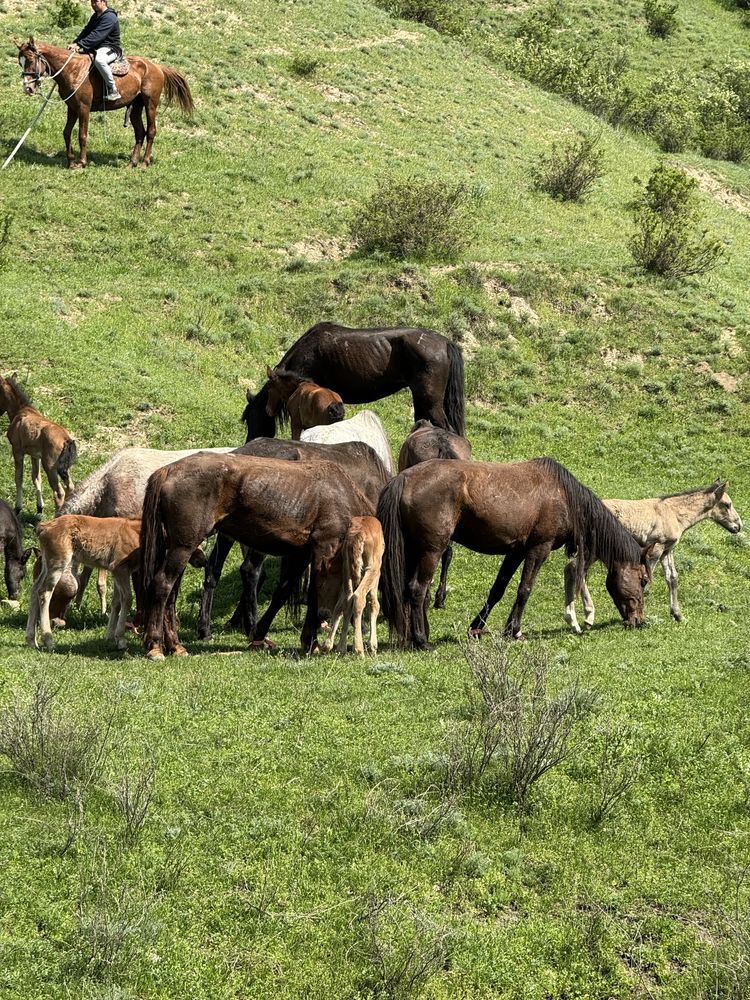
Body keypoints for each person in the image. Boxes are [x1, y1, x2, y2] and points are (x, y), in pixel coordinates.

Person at [68, 0, 123, 102]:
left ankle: (113, 89)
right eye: (92, 2)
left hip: (110, 48)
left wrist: (80, 45)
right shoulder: (95, 16)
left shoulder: (110, 17)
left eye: (96, 1)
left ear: (103, 2)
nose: (93, 4)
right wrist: (76, 42)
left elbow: (98, 35)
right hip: (96, 48)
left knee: (99, 60)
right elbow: (86, 30)